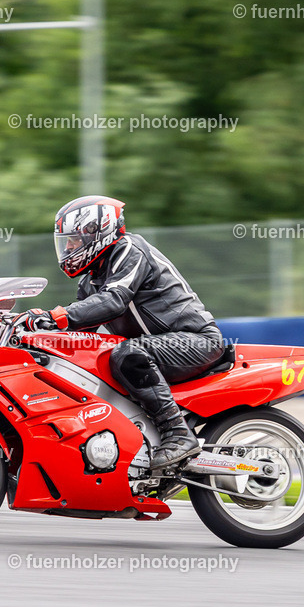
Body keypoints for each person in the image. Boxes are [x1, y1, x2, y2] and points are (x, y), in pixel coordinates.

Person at [24, 195, 226, 469]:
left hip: (196, 340)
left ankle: (178, 433)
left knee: (126, 353)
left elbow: (113, 299)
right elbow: (78, 330)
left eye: (73, 240)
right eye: (66, 242)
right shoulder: (91, 279)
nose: (69, 248)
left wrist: (57, 316)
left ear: (96, 232)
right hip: (155, 348)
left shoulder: (130, 249)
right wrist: (31, 336)